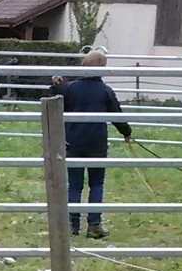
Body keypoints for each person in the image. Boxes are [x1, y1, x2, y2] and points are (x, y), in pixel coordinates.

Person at [51, 51, 132, 239]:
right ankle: (94, 225)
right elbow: (117, 116)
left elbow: (54, 103)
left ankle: (72, 225)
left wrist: (55, 86)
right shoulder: (106, 91)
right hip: (97, 143)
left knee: (74, 185)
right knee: (97, 183)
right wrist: (126, 133)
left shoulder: (69, 88)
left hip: (73, 142)